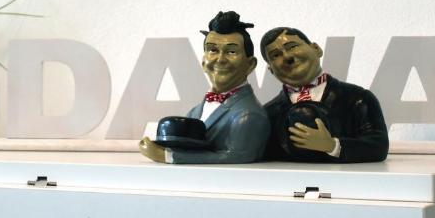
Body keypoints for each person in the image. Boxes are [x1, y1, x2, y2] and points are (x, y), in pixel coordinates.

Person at [139, 11, 270, 164]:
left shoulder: (249, 115)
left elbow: (237, 157)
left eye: (231, 51)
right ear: (203, 62)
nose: (220, 59)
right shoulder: (195, 111)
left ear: (250, 64)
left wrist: (168, 156)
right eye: (213, 50)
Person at [260, 27, 389, 163]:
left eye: (292, 46)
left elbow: (378, 146)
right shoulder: (268, 114)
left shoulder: (358, 99)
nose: (287, 57)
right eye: (276, 55)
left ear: (316, 49)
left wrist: (332, 146)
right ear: (271, 70)